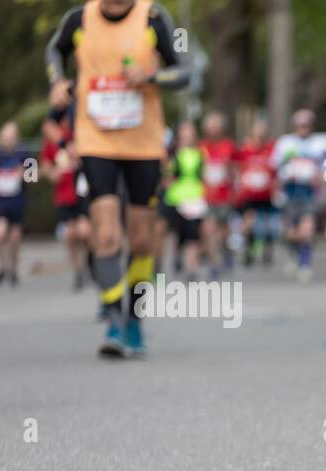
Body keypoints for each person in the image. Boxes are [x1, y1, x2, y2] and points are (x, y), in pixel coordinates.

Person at [46, 0, 189, 358]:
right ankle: (113, 319)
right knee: (106, 233)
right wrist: (58, 81)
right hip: (95, 139)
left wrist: (151, 77)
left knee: (141, 240)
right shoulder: (79, 19)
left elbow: (183, 72)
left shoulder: (153, 18)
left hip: (143, 143)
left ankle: (135, 319)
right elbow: (54, 50)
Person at [40, 109, 92, 291]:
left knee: (84, 232)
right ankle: (78, 269)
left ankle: (90, 261)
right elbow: (43, 165)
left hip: (82, 192)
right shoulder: (51, 143)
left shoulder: (79, 136)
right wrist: (51, 173)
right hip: (63, 194)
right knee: (70, 234)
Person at [272, 108, 326, 282]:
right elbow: (274, 166)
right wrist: (283, 178)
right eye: (300, 125)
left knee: (307, 230)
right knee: (291, 231)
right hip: (289, 191)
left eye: (307, 125)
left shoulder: (318, 145)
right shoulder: (285, 143)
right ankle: (292, 255)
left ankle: (305, 264)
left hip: (308, 192)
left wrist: (321, 179)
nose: (304, 128)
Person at [0, 122, 33, 288]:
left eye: (11, 138)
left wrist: (22, 174)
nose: (8, 141)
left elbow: (33, 177)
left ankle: (13, 268)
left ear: (16, 139)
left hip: (17, 201)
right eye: (5, 138)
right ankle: (2, 267)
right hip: (0, 201)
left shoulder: (25, 153)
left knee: (14, 237)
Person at [161, 120, 205, 281]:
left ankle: (190, 268)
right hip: (175, 199)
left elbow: (204, 174)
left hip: (194, 198)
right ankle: (176, 256)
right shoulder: (173, 154)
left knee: (192, 234)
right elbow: (167, 174)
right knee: (176, 233)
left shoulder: (200, 153)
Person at [233, 118, 278, 269]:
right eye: (258, 130)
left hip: (266, 193)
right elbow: (237, 166)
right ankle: (249, 248)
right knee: (248, 224)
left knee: (266, 225)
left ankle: (267, 247)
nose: (260, 134)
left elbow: (275, 169)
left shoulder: (272, 148)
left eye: (263, 130)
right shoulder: (246, 149)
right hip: (249, 193)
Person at [199, 111, 236, 277]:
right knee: (209, 229)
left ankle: (227, 251)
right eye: (210, 126)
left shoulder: (229, 146)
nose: (213, 130)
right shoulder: (201, 146)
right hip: (206, 196)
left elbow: (236, 167)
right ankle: (214, 263)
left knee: (223, 231)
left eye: (216, 126)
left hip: (224, 195)